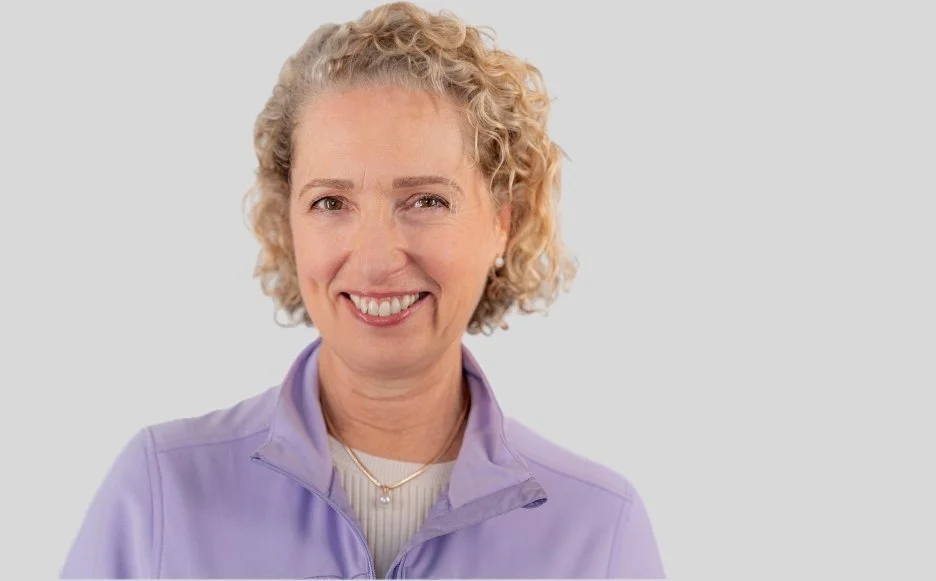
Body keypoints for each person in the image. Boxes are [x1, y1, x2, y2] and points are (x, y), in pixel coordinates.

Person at [60, 3, 664, 578]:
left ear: (502, 221)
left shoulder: (598, 532)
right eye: (331, 202)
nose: (376, 260)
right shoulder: (161, 494)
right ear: (287, 222)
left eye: (426, 201)